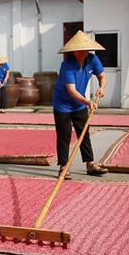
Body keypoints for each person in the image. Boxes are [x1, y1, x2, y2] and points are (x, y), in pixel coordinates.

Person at [52, 30, 109, 179]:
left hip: (79, 105)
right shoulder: (67, 65)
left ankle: (90, 164)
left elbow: (102, 76)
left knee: (84, 133)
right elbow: (71, 90)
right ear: (73, 51)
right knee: (64, 135)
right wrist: (87, 102)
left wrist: (101, 88)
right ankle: (64, 167)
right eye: (79, 50)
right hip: (63, 105)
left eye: (85, 50)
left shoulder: (92, 59)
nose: (82, 53)